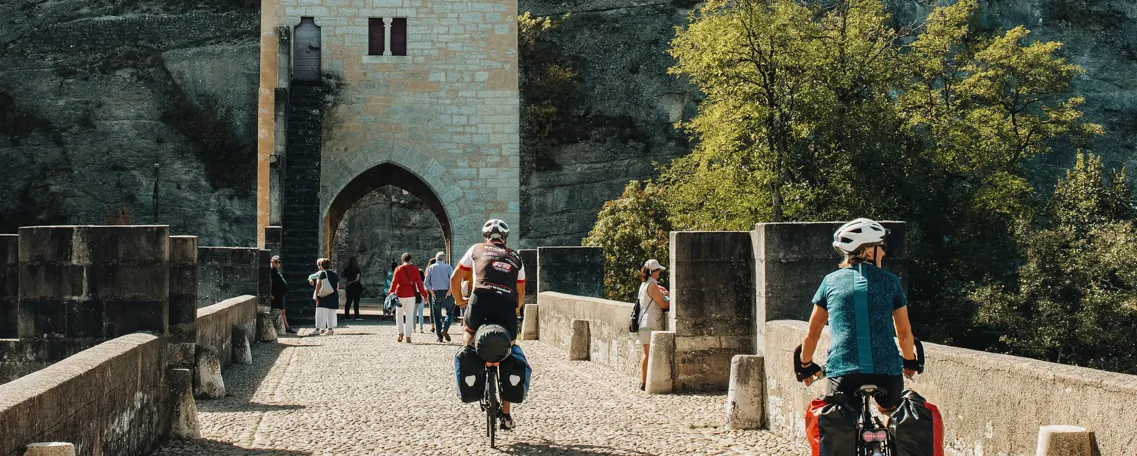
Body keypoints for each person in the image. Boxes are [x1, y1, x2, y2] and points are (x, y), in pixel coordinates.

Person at [797, 218, 919, 415]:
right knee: (890, 410)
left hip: (843, 371)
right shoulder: (890, 282)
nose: (884, 252)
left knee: (841, 419)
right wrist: (910, 361)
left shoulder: (830, 282)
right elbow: (904, 332)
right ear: (869, 250)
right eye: (882, 246)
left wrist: (806, 365)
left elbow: (813, 332)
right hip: (887, 371)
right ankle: (891, 439)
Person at [449, 219, 525, 431]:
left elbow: (456, 278)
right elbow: (520, 294)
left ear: (486, 238)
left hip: (480, 301)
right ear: (505, 239)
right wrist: (515, 311)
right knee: (510, 350)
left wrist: (458, 300)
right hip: (506, 308)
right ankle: (507, 415)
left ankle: (469, 356)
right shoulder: (516, 257)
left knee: (468, 331)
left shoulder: (476, 249)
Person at [635, 259, 669, 391]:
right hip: (651, 322)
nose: (659, 272)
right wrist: (669, 298)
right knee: (649, 353)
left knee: (646, 353)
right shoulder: (652, 286)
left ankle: (643, 381)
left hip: (643, 322)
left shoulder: (643, 285)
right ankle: (645, 382)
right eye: (658, 270)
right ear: (653, 272)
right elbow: (663, 304)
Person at [389, 253, 427, 344]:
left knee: (399, 314)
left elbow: (394, 282)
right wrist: (424, 295)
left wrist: (390, 293)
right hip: (411, 295)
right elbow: (419, 284)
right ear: (410, 259)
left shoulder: (398, 269)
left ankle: (400, 333)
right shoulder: (415, 269)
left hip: (400, 294)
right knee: (409, 315)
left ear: (402, 260)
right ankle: (408, 336)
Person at [424, 252, 456, 343]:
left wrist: (432, 292)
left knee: (437, 315)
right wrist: (450, 291)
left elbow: (426, 282)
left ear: (436, 258)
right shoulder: (448, 267)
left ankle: (439, 337)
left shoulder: (431, 267)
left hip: (436, 293)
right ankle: (445, 328)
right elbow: (453, 280)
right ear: (444, 258)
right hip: (447, 292)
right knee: (449, 312)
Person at [269, 255, 297, 335]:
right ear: (271, 262)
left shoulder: (275, 271)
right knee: (281, 311)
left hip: (279, 295)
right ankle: (286, 328)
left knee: (283, 311)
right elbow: (270, 282)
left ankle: (287, 327)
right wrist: (270, 293)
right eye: (276, 262)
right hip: (276, 295)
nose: (277, 263)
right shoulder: (272, 271)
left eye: (279, 262)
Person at [313, 258, 341, 336]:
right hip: (333, 295)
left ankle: (318, 329)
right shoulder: (335, 274)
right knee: (331, 313)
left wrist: (316, 294)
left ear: (322, 266)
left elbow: (318, 285)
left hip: (324, 296)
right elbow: (337, 286)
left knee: (320, 312)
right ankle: (330, 329)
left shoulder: (322, 274)